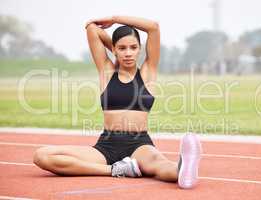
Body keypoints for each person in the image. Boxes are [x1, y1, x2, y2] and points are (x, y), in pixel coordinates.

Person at [33, 16, 202, 189]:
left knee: (164, 167)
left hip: (139, 145)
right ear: (113, 49)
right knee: (41, 156)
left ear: (140, 49)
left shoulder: (147, 72)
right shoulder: (106, 72)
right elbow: (92, 28)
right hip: (106, 147)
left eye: (133, 48)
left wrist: (115, 19)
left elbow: (153, 28)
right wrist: (114, 46)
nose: (128, 53)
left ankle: (184, 167)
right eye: (122, 48)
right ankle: (114, 170)